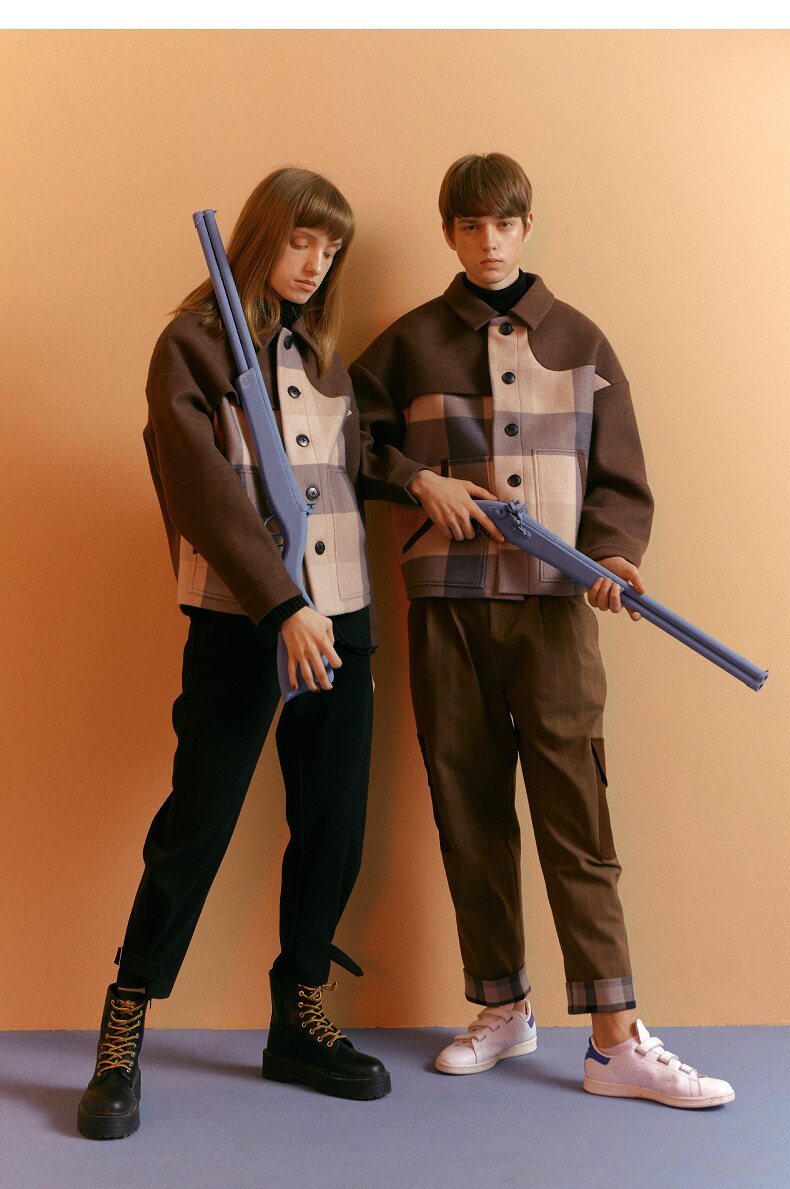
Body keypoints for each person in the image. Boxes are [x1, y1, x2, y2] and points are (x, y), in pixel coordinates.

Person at [350, 152, 734, 1109]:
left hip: (560, 611)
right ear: (449, 232)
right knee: (467, 806)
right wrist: (417, 480)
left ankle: (615, 1038)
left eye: (504, 223)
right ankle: (501, 1005)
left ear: (527, 227)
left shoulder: (583, 340)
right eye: (470, 225)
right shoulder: (408, 344)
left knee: (576, 813)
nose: (489, 242)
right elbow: (341, 436)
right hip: (447, 606)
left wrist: (615, 556)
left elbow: (621, 477)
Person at [77, 167, 391, 1141]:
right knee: (198, 821)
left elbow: (354, 465)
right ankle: (125, 1020)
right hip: (243, 618)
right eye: (301, 240)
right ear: (262, 235)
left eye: (331, 249)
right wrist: (280, 601)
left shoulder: (327, 358)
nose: (316, 263)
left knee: (333, 823)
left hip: (344, 615)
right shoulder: (195, 343)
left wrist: (431, 483)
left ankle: (299, 1013)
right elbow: (198, 483)